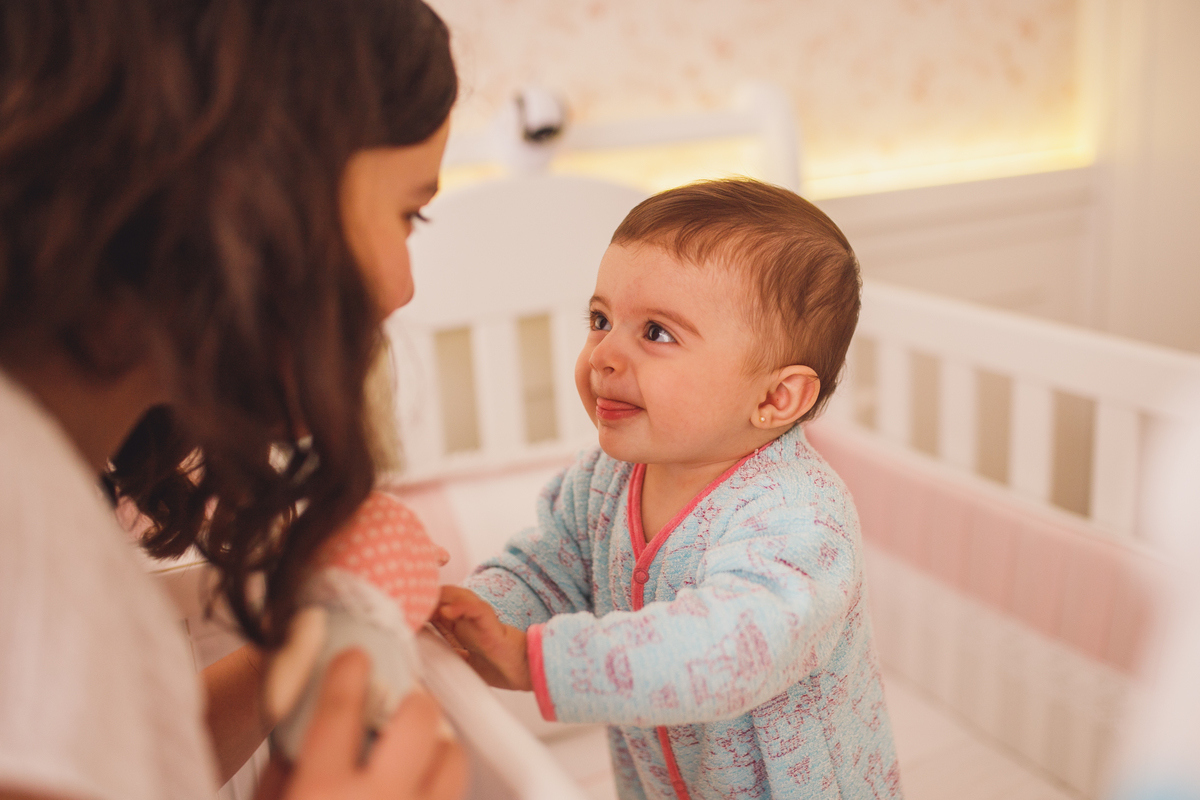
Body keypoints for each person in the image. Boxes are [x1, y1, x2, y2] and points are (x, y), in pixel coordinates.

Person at [0, 1, 466, 799]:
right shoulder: (26, 530)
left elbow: (122, 758)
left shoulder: (43, 487)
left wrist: (295, 645)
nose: (402, 286)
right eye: (406, 212)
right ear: (248, 192)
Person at [435, 179, 902, 799]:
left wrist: (537, 661)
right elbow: (547, 569)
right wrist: (475, 614)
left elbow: (732, 648)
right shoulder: (605, 481)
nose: (603, 353)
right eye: (600, 320)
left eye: (656, 333)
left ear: (774, 398)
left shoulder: (801, 517)